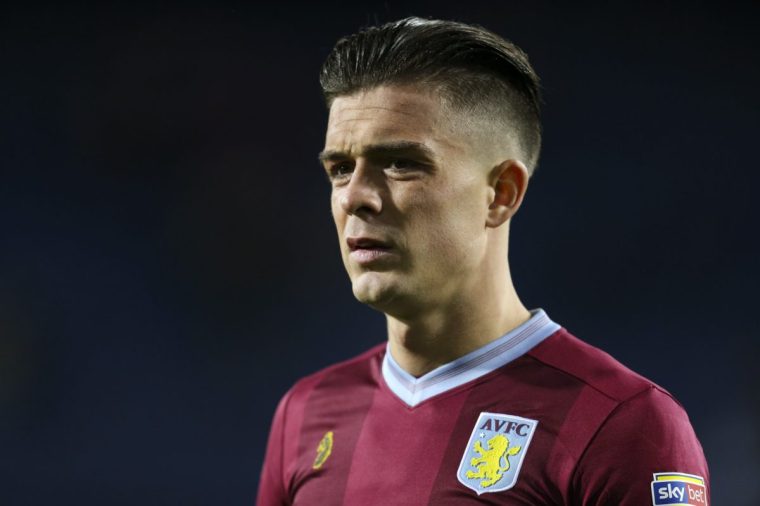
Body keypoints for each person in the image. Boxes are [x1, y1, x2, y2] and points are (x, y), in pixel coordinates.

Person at [256, 17, 709, 505]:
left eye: (400, 163)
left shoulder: (622, 424)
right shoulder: (305, 413)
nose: (355, 197)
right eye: (341, 169)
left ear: (501, 194)